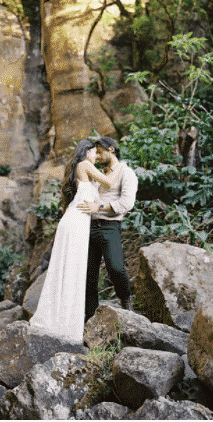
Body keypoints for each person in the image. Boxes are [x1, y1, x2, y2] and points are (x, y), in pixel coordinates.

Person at [29, 139, 122, 344]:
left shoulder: (83, 169)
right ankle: (66, 324)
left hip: (77, 222)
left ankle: (67, 321)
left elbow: (99, 190)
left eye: (99, 154)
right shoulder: (84, 165)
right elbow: (109, 182)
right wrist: (118, 165)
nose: (97, 157)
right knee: (72, 269)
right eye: (94, 152)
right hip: (75, 223)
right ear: (86, 152)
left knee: (73, 270)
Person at [77, 137, 138, 323]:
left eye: (100, 151)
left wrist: (100, 207)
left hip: (109, 226)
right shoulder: (96, 173)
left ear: (111, 149)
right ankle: (90, 317)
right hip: (88, 226)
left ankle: (126, 300)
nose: (97, 155)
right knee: (88, 275)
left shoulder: (126, 173)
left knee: (116, 267)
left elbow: (127, 203)